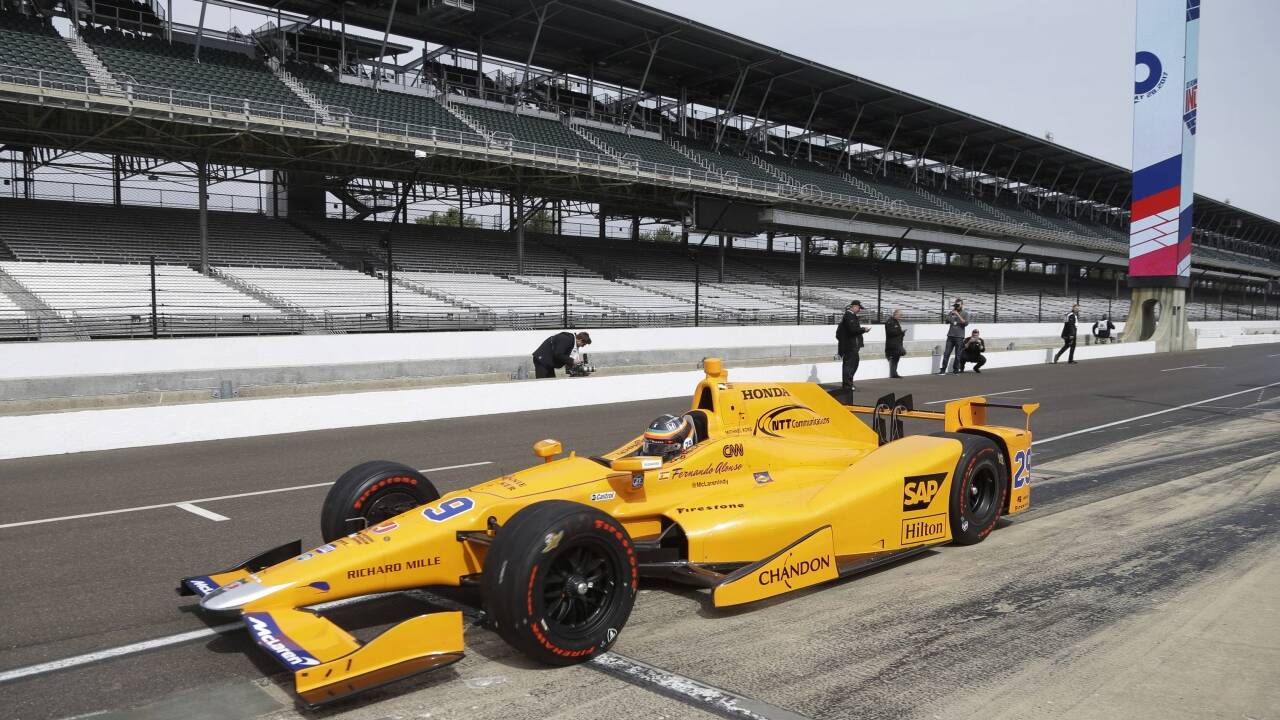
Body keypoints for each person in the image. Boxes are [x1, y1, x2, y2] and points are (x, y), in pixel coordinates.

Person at [835, 299, 870, 393]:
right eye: (859, 308)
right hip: (850, 345)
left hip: (852, 345)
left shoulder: (851, 315)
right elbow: (853, 330)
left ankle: (848, 383)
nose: (859, 310)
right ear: (854, 306)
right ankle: (847, 385)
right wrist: (863, 329)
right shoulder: (849, 315)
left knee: (853, 364)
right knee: (849, 365)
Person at [939, 298, 969, 375]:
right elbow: (946, 321)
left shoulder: (965, 313)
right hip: (950, 336)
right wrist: (949, 315)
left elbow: (965, 323)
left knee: (958, 355)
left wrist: (957, 315)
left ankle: (955, 370)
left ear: (962, 305)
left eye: (958, 305)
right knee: (946, 354)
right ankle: (943, 370)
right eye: (955, 305)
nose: (956, 306)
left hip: (959, 337)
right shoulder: (952, 312)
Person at [884, 309, 905, 379]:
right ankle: (893, 373)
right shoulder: (890, 322)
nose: (901, 317)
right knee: (898, 355)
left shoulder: (896, 322)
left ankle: (894, 373)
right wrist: (900, 332)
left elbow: (896, 332)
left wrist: (902, 333)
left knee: (897, 358)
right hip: (893, 344)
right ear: (895, 314)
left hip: (897, 343)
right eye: (900, 315)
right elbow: (890, 332)